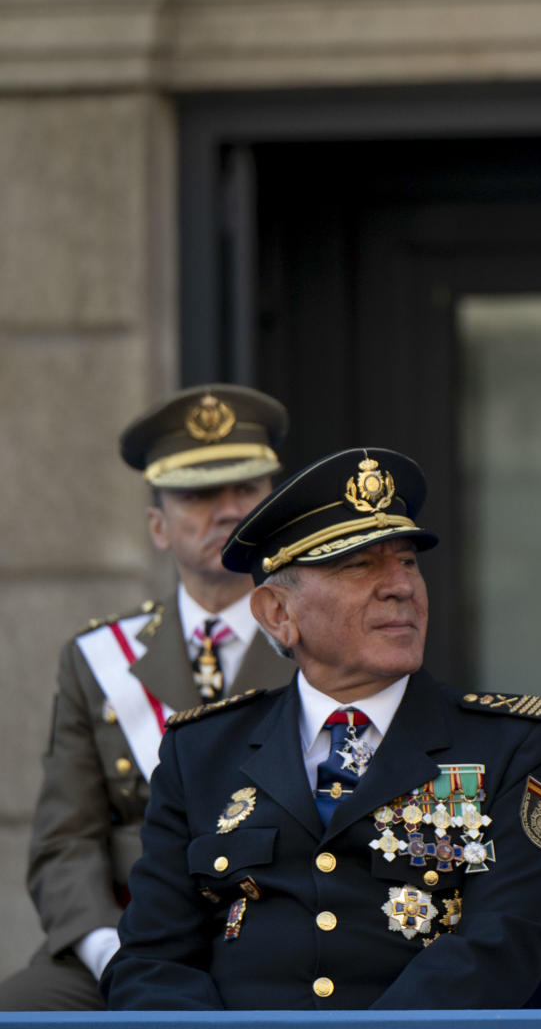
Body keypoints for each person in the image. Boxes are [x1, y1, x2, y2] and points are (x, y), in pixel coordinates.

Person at [102, 447, 541, 1010]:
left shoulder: (518, 744)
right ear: (277, 614)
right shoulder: (199, 753)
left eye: (409, 562)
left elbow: (503, 943)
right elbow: (152, 960)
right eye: (359, 565)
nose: (401, 587)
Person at [0, 386, 295, 1011]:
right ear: (158, 526)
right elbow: (65, 843)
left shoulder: (319, 644)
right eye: (197, 494)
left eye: (245, 490)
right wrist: (114, 955)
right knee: (24, 1009)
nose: (225, 510)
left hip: (275, 939)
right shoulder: (98, 659)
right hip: (129, 941)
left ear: (275, 506)